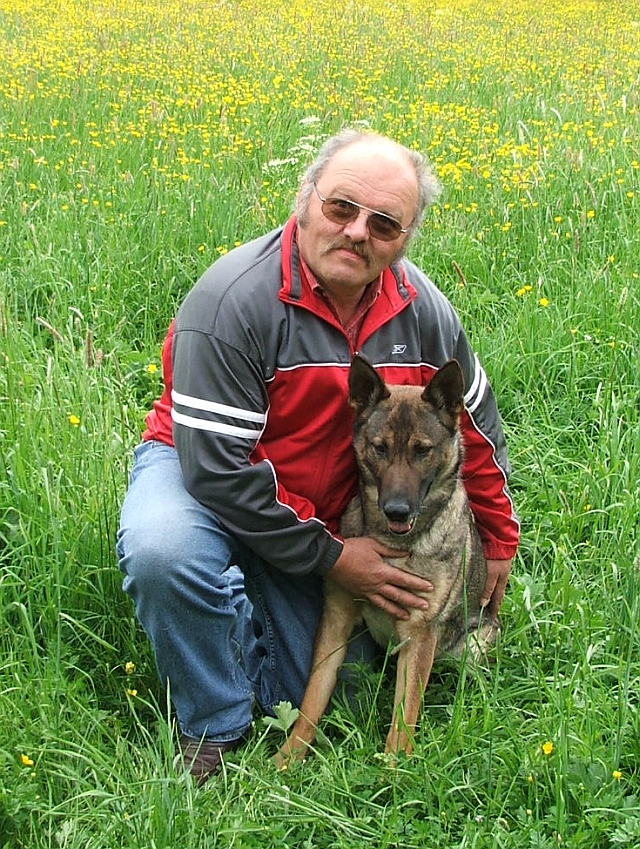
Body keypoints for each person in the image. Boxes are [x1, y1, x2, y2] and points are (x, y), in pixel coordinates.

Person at [116, 129, 519, 784]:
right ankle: (213, 722)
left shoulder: (425, 313)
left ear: (405, 238)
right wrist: (333, 556)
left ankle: (234, 614)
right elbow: (218, 471)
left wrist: (498, 537)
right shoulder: (232, 301)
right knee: (165, 549)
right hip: (203, 473)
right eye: (341, 207)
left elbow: (473, 425)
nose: (358, 231)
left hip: (323, 503)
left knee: (349, 690)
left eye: (384, 223)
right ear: (304, 199)